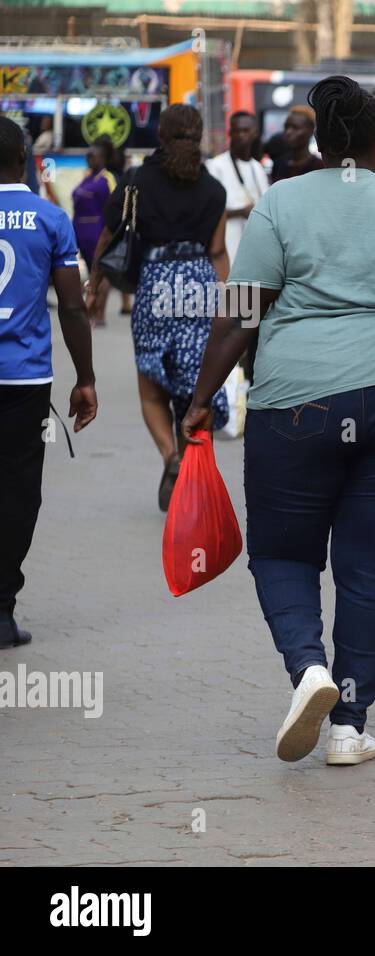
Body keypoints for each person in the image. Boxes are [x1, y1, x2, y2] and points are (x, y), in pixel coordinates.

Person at [181, 76, 375, 765]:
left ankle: (308, 670)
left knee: (285, 554)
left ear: (320, 143)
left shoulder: (280, 203)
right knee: (371, 566)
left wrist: (201, 398)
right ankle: (350, 726)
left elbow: (240, 311)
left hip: (297, 403)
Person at [87, 104, 229, 512]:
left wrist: (94, 285)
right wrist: (227, 304)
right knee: (192, 388)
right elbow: (218, 252)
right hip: (200, 286)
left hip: (155, 284)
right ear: (199, 136)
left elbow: (108, 238)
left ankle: (170, 456)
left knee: (151, 388)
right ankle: (187, 461)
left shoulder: (136, 182)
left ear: (160, 136)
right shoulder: (213, 189)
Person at [0, 116, 98, 649]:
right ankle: (1, 610)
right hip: (23, 382)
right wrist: (86, 378)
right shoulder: (50, 218)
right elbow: (73, 308)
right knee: (17, 492)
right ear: (23, 160)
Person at [205, 111, 270, 267]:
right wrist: (240, 212)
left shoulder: (258, 168)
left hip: (254, 253)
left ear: (255, 133)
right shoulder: (215, 166)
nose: (241, 135)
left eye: (246, 131)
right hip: (225, 253)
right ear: (230, 133)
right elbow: (208, 211)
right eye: (237, 131)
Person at [71, 139, 117, 327]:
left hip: (98, 232)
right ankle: (92, 309)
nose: (89, 159)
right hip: (82, 233)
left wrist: (112, 234)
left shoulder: (107, 179)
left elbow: (115, 206)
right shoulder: (86, 178)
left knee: (102, 273)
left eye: (93, 155)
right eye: (87, 155)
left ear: (103, 157)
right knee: (91, 272)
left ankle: (100, 313)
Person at [270, 106, 324, 183]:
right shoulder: (278, 164)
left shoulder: (319, 167)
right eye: (286, 127)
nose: (288, 132)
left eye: (295, 128)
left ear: (311, 130)